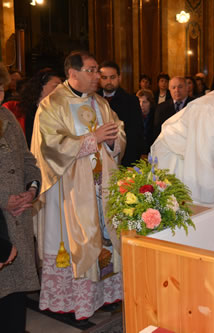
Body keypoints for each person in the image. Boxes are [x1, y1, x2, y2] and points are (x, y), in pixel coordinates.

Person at [31, 50, 126, 321]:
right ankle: (76, 300)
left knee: (105, 239)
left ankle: (104, 296)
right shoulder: (52, 104)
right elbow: (48, 146)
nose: (97, 76)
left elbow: (117, 130)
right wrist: (91, 139)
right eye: (91, 70)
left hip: (101, 188)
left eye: (97, 70)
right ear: (72, 73)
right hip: (69, 192)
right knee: (78, 241)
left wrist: (110, 140)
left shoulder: (100, 103)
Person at [0, 62, 42, 333]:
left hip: (18, 221)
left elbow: (28, 159)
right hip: (2, 222)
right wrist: (4, 199)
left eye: (0, 87)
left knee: (14, 303)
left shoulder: (6, 118)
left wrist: (32, 189)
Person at [98, 60, 144, 167]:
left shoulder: (131, 100)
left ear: (119, 78)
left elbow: (135, 134)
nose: (109, 81)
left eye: (112, 77)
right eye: (104, 77)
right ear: (99, 79)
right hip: (99, 158)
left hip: (124, 159)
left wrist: (130, 163)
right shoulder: (93, 100)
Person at [3, 68, 61, 146]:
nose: (60, 90)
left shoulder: (58, 112)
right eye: (56, 86)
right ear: (41, 86)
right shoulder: (15, 109)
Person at [153, 76, 195, 141]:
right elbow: (157, 132)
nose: (177, 90)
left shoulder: (195, 105)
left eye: (180, 87)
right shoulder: (161, 108)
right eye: (173, 87)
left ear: (187, 88)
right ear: (169, 89)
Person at [136, 88, 156, 154]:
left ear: (150, 103)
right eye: (139, 101)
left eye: (144, 102)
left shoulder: (156, 116)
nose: (141, 105)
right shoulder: (134, 116)